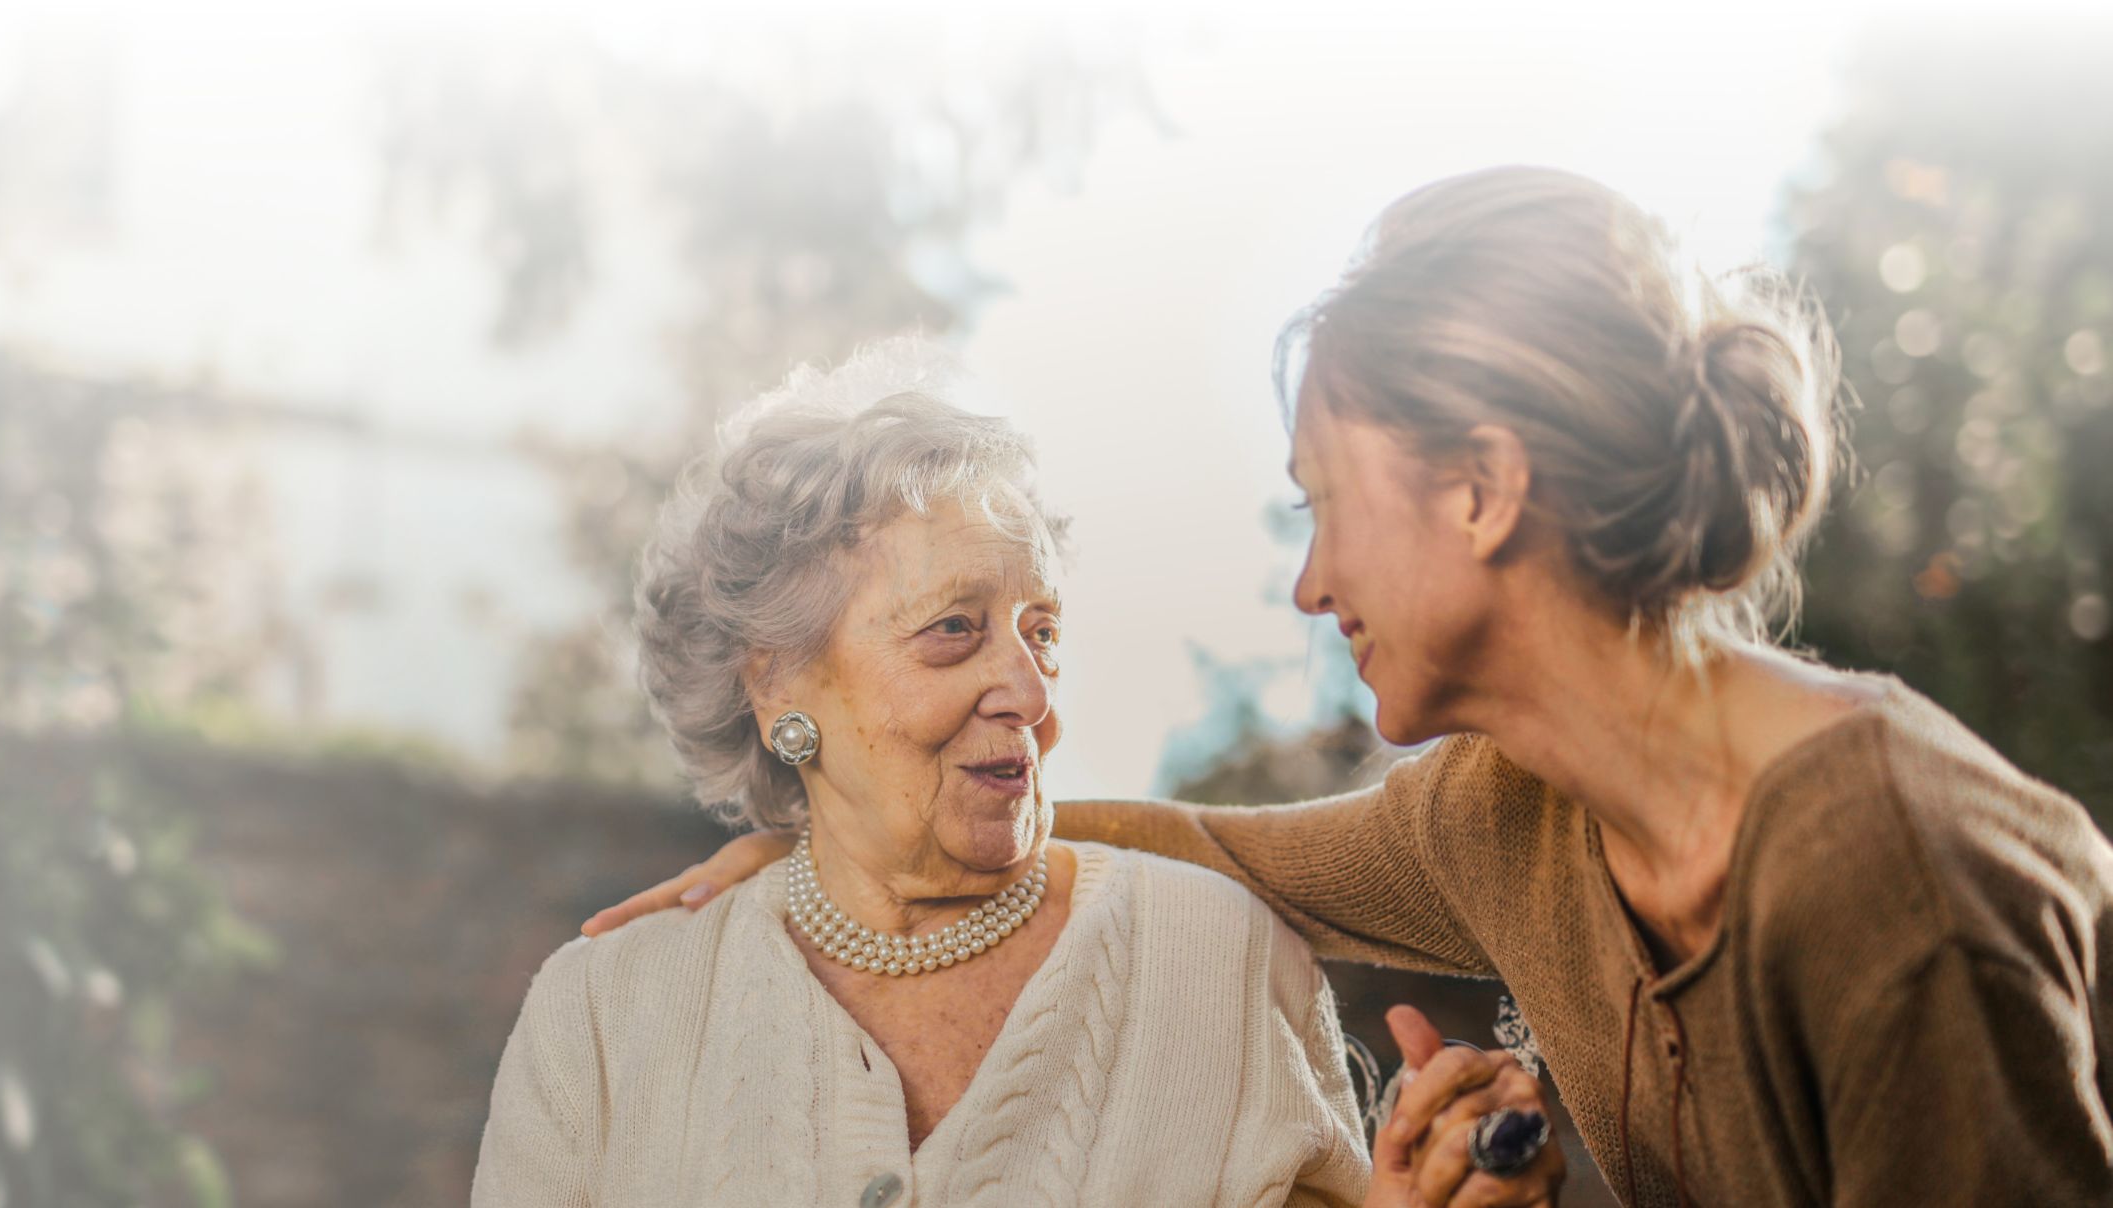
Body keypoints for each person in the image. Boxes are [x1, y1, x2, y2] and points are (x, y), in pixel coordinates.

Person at [583, 168, 2113, 1207]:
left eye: (1323, 502)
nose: (1311, 585)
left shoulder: (1887, 880)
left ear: (1482, 493)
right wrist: (847, 840)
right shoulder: (1508, 815)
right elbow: (1204, 851)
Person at [476, 341, 1550, 1206]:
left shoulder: (1216, 960)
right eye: (953, 629)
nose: (1030, 695)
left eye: (1041, 632)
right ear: (777, 686)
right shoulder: (606, 1014)